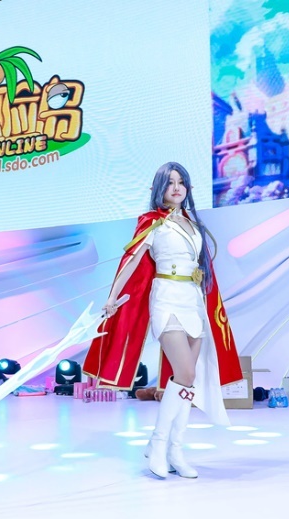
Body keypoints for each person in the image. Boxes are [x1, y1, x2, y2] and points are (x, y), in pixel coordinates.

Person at [84, 162, 243, 479]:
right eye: (170, 182)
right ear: (160, 188)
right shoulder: (153, 222)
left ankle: (175, 450)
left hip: (193, 300)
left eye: (181, 181)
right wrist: (112, 297)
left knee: (187, 380)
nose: (177, 187)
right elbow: (130, 261)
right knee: (185, 373)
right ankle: (157, 443)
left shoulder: (193, 224)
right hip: (166, 299)